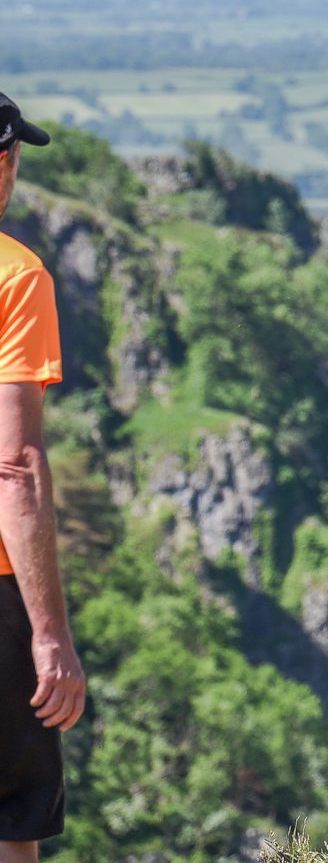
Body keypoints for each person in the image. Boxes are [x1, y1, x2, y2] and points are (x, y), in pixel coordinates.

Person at [0, 94, 86, 863]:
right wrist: (49, 634)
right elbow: (17, 467)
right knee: (12, 819)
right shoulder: (14, 277)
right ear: (4, 161)